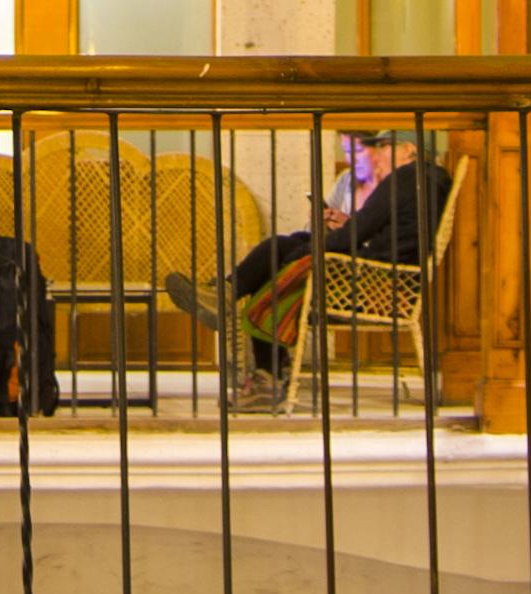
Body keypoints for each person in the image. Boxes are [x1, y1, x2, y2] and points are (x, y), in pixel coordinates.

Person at [158, 134, 455, 409]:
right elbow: (385, 233)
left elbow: (358, 233)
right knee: (290, 244)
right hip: (389, 278)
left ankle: (263, 368)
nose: (375, 156)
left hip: (371, 285)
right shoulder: (430, 182)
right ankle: (226, 296)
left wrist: (310, 251)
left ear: (409, 150)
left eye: (383, 147)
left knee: (280, 268)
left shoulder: (404, 180)